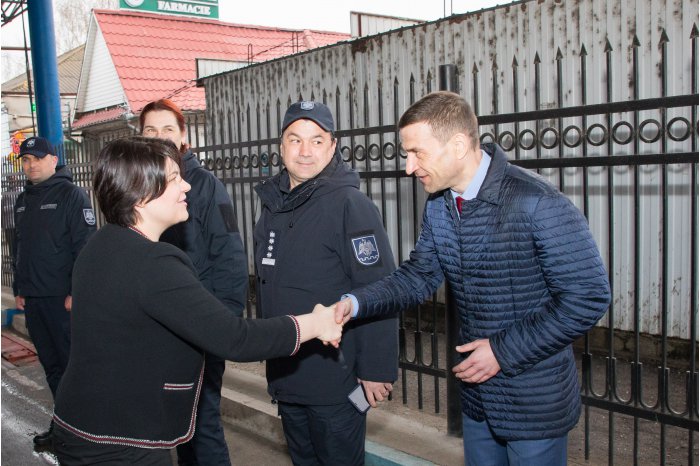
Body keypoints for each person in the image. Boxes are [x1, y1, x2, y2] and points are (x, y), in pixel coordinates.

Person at [335, 91, 611, 465]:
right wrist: (354, 303)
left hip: (533, 403)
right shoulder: (440, 204)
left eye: (417, 153)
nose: (409, 167)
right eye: (406, 154)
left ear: (459, 145)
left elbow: (588, 297)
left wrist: (501, 351)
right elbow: (419, 276)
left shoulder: (537, 201)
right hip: (479, 398)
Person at [51, 136, 342, 465]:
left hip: (79, 426)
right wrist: (316, 323)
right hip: (120, 443)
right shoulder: (154, 263)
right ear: (141, 193)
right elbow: (236, 339)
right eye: (174, 178)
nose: (186, 186)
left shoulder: (102, 243)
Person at [254, 101, 398, 465]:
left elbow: (380, 288)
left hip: (335, 379)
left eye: (317, 141)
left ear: (333, 147)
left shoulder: (350, 204)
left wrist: (376, 370)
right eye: (295, 140)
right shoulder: (272, 204)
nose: (305, 151)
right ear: (281, 146)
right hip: (288, 373)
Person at [140, 98, 248, 465]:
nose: (159, 137)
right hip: (158, 326)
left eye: (168, 129)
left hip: (199, 326)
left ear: (183, 136)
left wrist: (223, 325)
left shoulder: (204, 186)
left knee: (202, 424)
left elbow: (230, 257)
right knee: (176, 423)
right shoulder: (139, 187)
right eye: (150, 130)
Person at [11, 136, 96, 448]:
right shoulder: (23, 200)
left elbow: (85, 247)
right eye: (26, 160)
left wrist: (76, 291)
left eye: (37, 158)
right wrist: (20, 287)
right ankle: (64, 428)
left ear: (53, 160)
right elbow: (20, 247)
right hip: (34, 298)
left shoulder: (72, 195)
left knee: (72, 368)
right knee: (51, 367)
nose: (31, 165)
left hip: (63, 300)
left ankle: (86, 432)